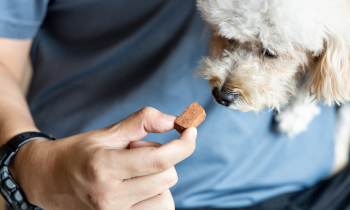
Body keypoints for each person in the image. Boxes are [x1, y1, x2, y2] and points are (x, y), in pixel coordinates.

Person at [0, 0, 347, 210]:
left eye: (269, 53)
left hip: (317, 189)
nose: (224, 88)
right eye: (226, 37)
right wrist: (27, 164)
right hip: (99, 197)